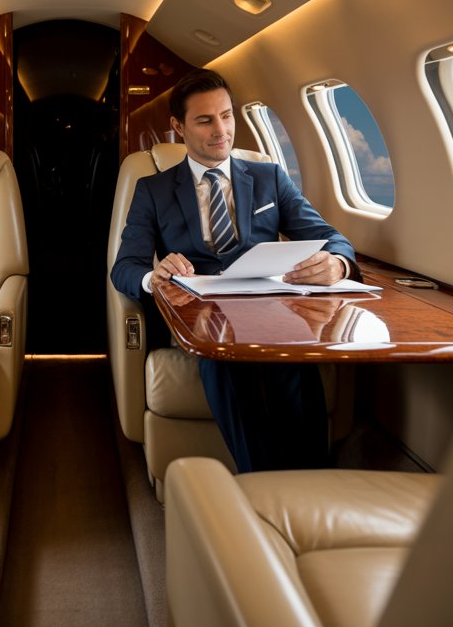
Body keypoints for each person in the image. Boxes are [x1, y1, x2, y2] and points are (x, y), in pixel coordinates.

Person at [110, 68, 360, 472]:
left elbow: (332, 237)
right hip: (202, 318)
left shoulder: (269, 177)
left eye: (226, 116)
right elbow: (124, 268)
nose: (221, 130)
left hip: (271, 315)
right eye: (205, 120)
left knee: (295, 358)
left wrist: (337, 263)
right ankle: (257, 480)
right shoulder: (154, 190)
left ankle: (313, 480)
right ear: (178, 126)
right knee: (220, 355)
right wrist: (153, 278)